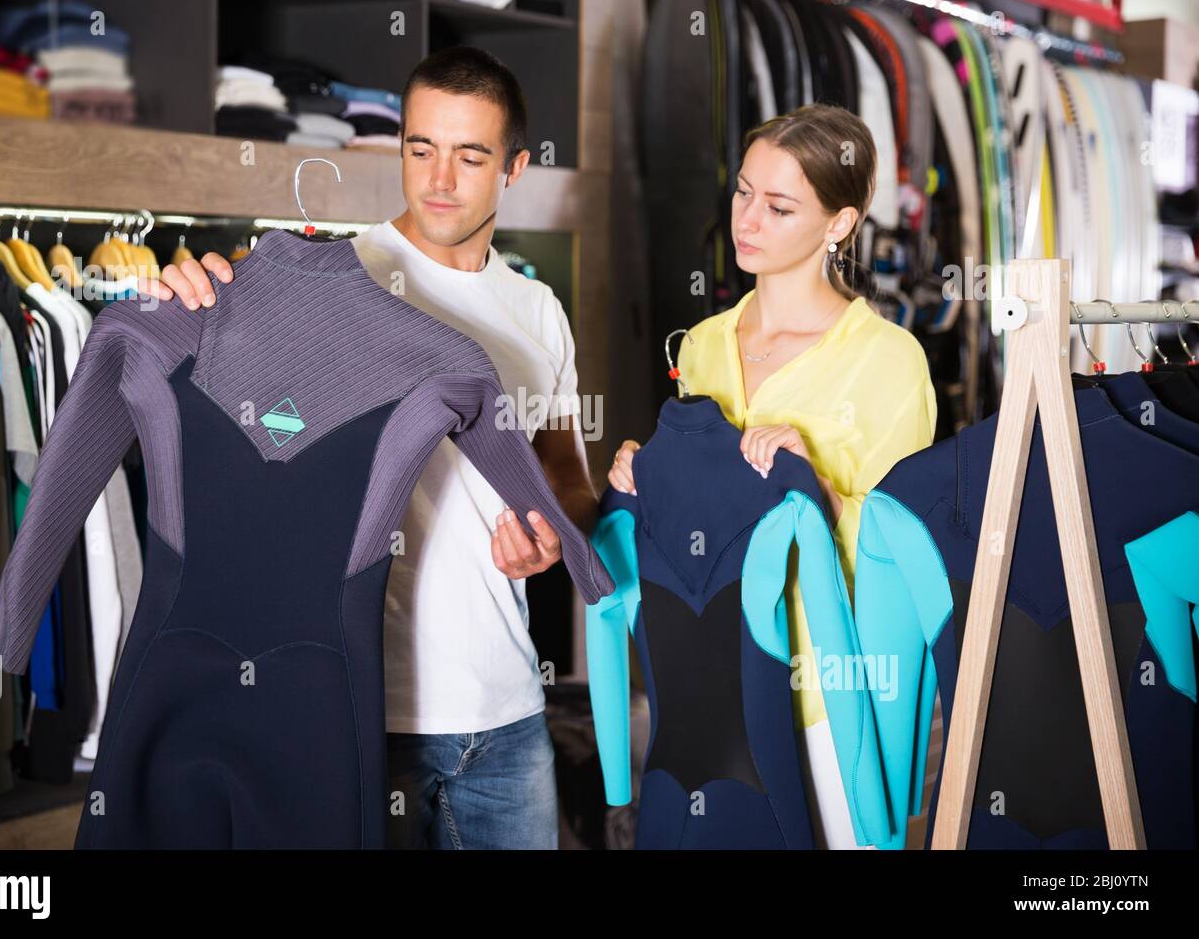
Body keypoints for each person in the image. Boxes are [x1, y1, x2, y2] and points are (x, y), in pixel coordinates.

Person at [141, 46, 596, 850]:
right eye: (420, 148)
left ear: (516, 167)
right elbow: (258, 435)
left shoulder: (538, 311)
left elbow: (565, 475)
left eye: (470, 155)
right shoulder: (326, 283)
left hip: (509, 716)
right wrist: (189, 307)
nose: (439, 179)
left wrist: (555, 532)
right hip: (360, 710)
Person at [608, 104, 936, 848]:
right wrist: (643, 474)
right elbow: (694, 517)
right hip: (701, 676)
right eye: (743, 192)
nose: (748, 220)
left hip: (821, 696)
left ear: (839, 224)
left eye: (780, 206)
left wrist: (816, 487)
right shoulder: (701, 345)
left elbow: (910, 553)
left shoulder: (889, 363)